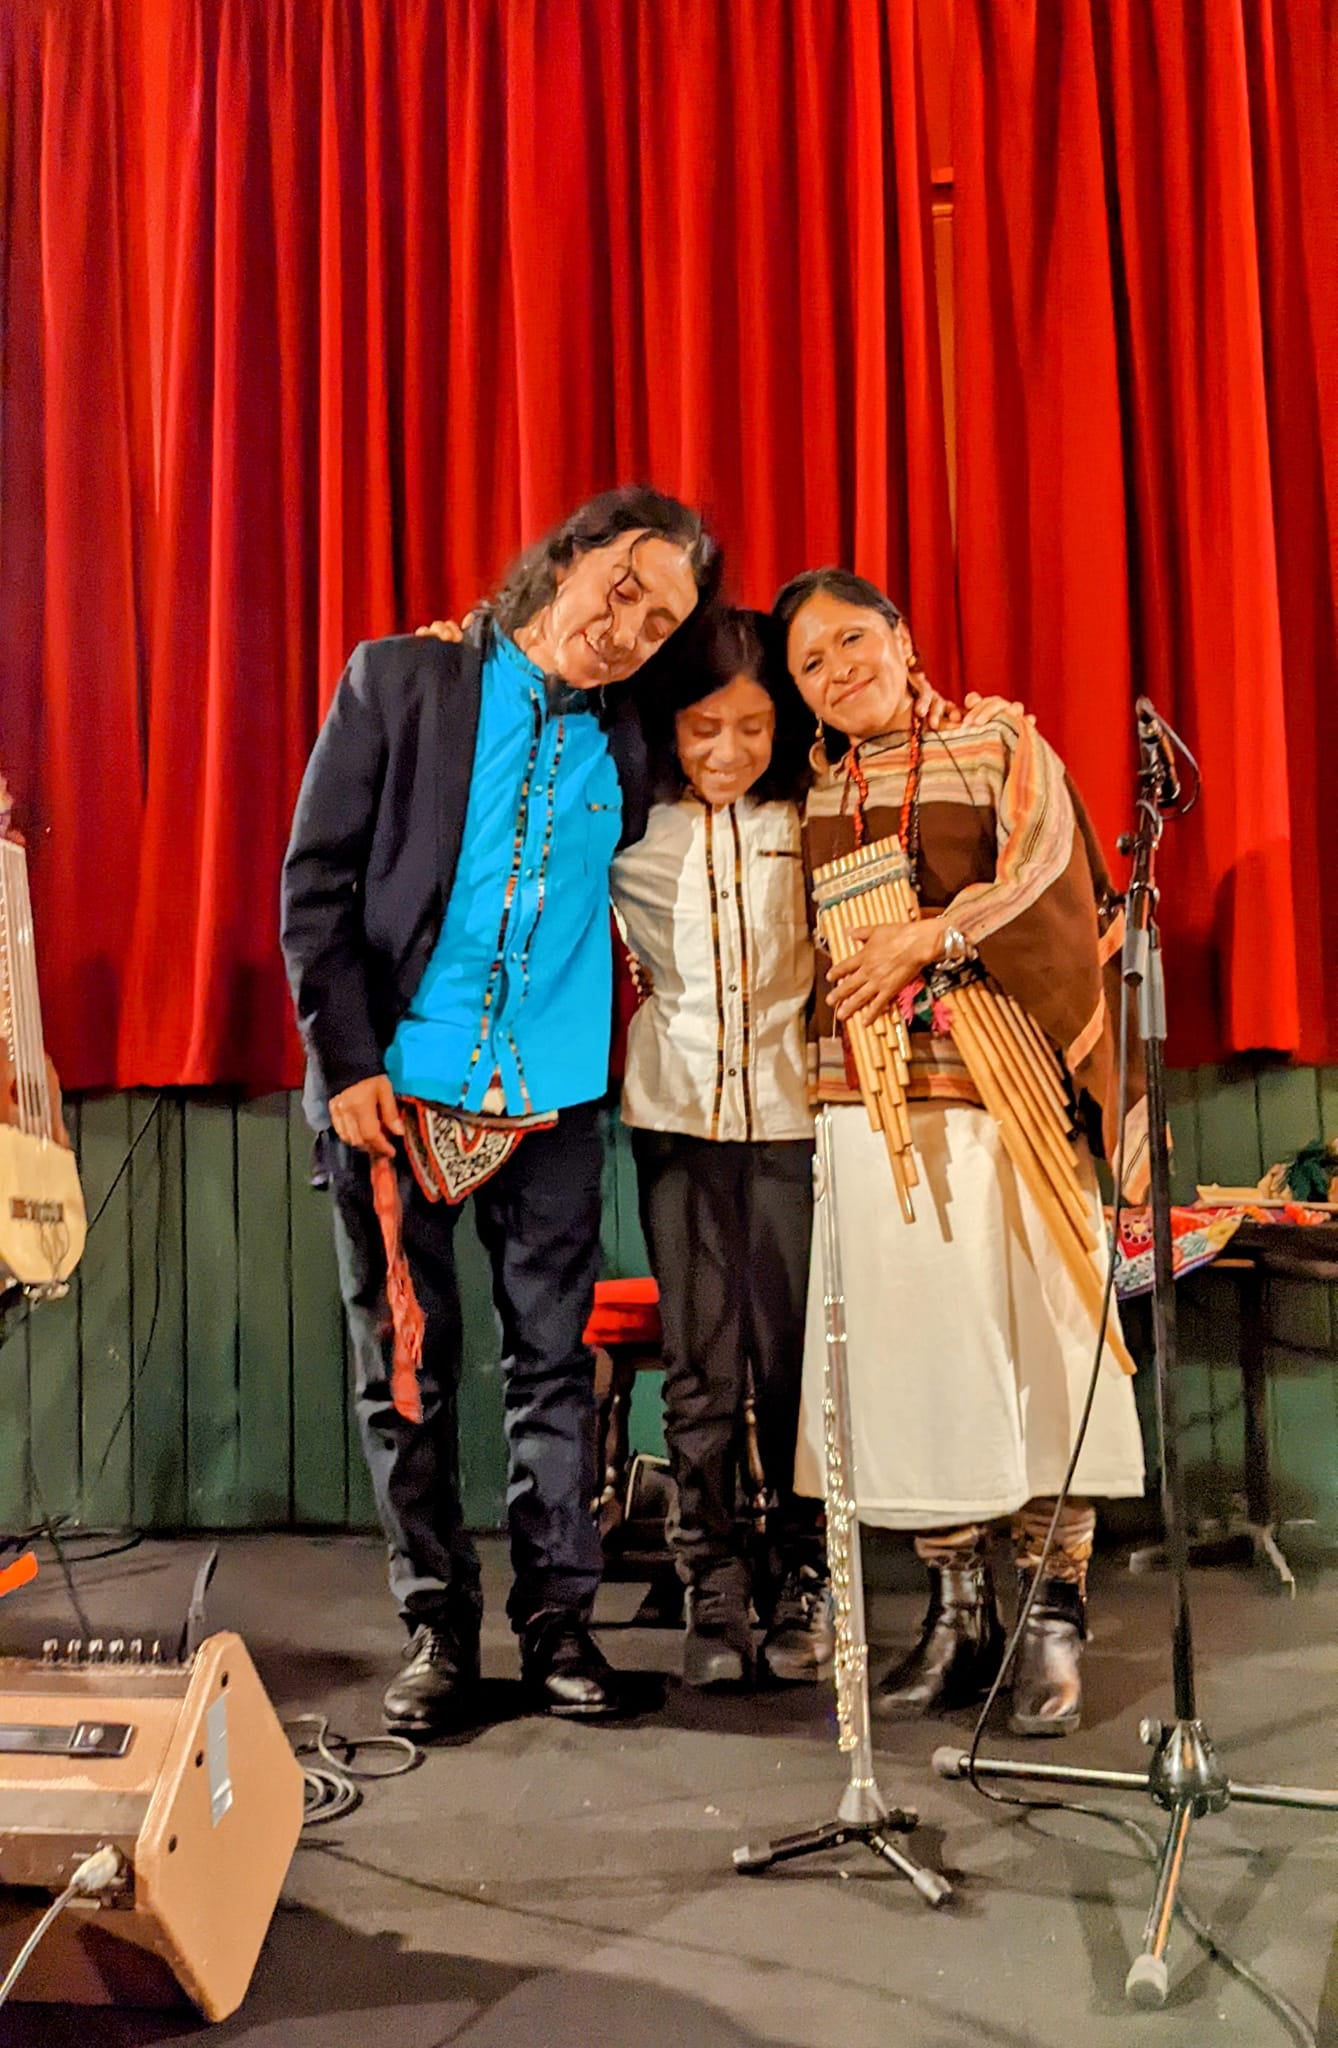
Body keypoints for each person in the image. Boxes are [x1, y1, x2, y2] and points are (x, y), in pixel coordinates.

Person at [281, 487, 721, 1735]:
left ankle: (558, 1624)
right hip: (393, 1097)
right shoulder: (402, 681)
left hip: (556, 1106)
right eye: (622, 587)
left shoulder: (633, 741)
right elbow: (316, 886)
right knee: (407, 1374)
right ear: (569, 558)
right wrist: (350, 1059)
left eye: (660, 618)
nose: (629, 624)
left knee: (554, 1372)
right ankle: (436, 1624)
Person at [775, 567, 1146, 1736]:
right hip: (873, 1111)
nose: (838, 674)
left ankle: (1052, 1608)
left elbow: (1047, 872)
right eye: (810, 667)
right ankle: (955, 1601)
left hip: (1003, 1103)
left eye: (850, 641)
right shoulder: (812, 791)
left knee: (1037, 1341)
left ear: (901, 634)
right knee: (914, 1360)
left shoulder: (999, 742)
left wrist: (928, 937)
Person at [610, 608, 833, 1688]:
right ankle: (713, 1589)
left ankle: (803, 1577)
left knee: (794, 1366)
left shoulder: (812, 807)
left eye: (751, 729)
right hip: (676, 1121)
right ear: (670, 724)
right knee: (700, 1369)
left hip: (795, 1123)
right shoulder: (630, 823)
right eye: (704, 729)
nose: (727, 753)